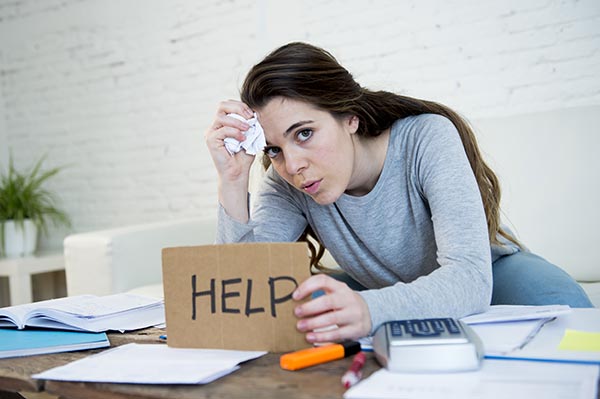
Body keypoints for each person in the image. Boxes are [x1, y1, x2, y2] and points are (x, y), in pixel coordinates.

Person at [205, 42, 593, 344]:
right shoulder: (287, 177)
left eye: (304, 133)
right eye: (273, 148)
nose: (292, 164)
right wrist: (233, 182)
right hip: (380, 289)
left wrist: (370, 309)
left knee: (575, 324)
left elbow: (471, 280)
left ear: (350, 117)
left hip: (491, 277)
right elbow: (242, 298)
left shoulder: (426, 137)